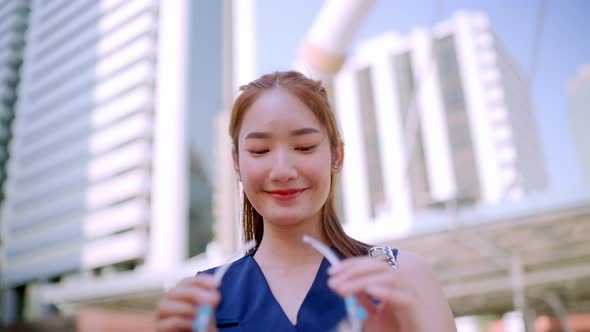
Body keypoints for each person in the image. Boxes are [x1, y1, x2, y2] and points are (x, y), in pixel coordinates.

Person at [156, 71, 457, 332]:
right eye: (260, 150)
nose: (283, 171)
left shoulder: (402, 275)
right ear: (236, 163)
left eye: (304, 147)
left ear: (336, 155)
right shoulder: (203, 298)